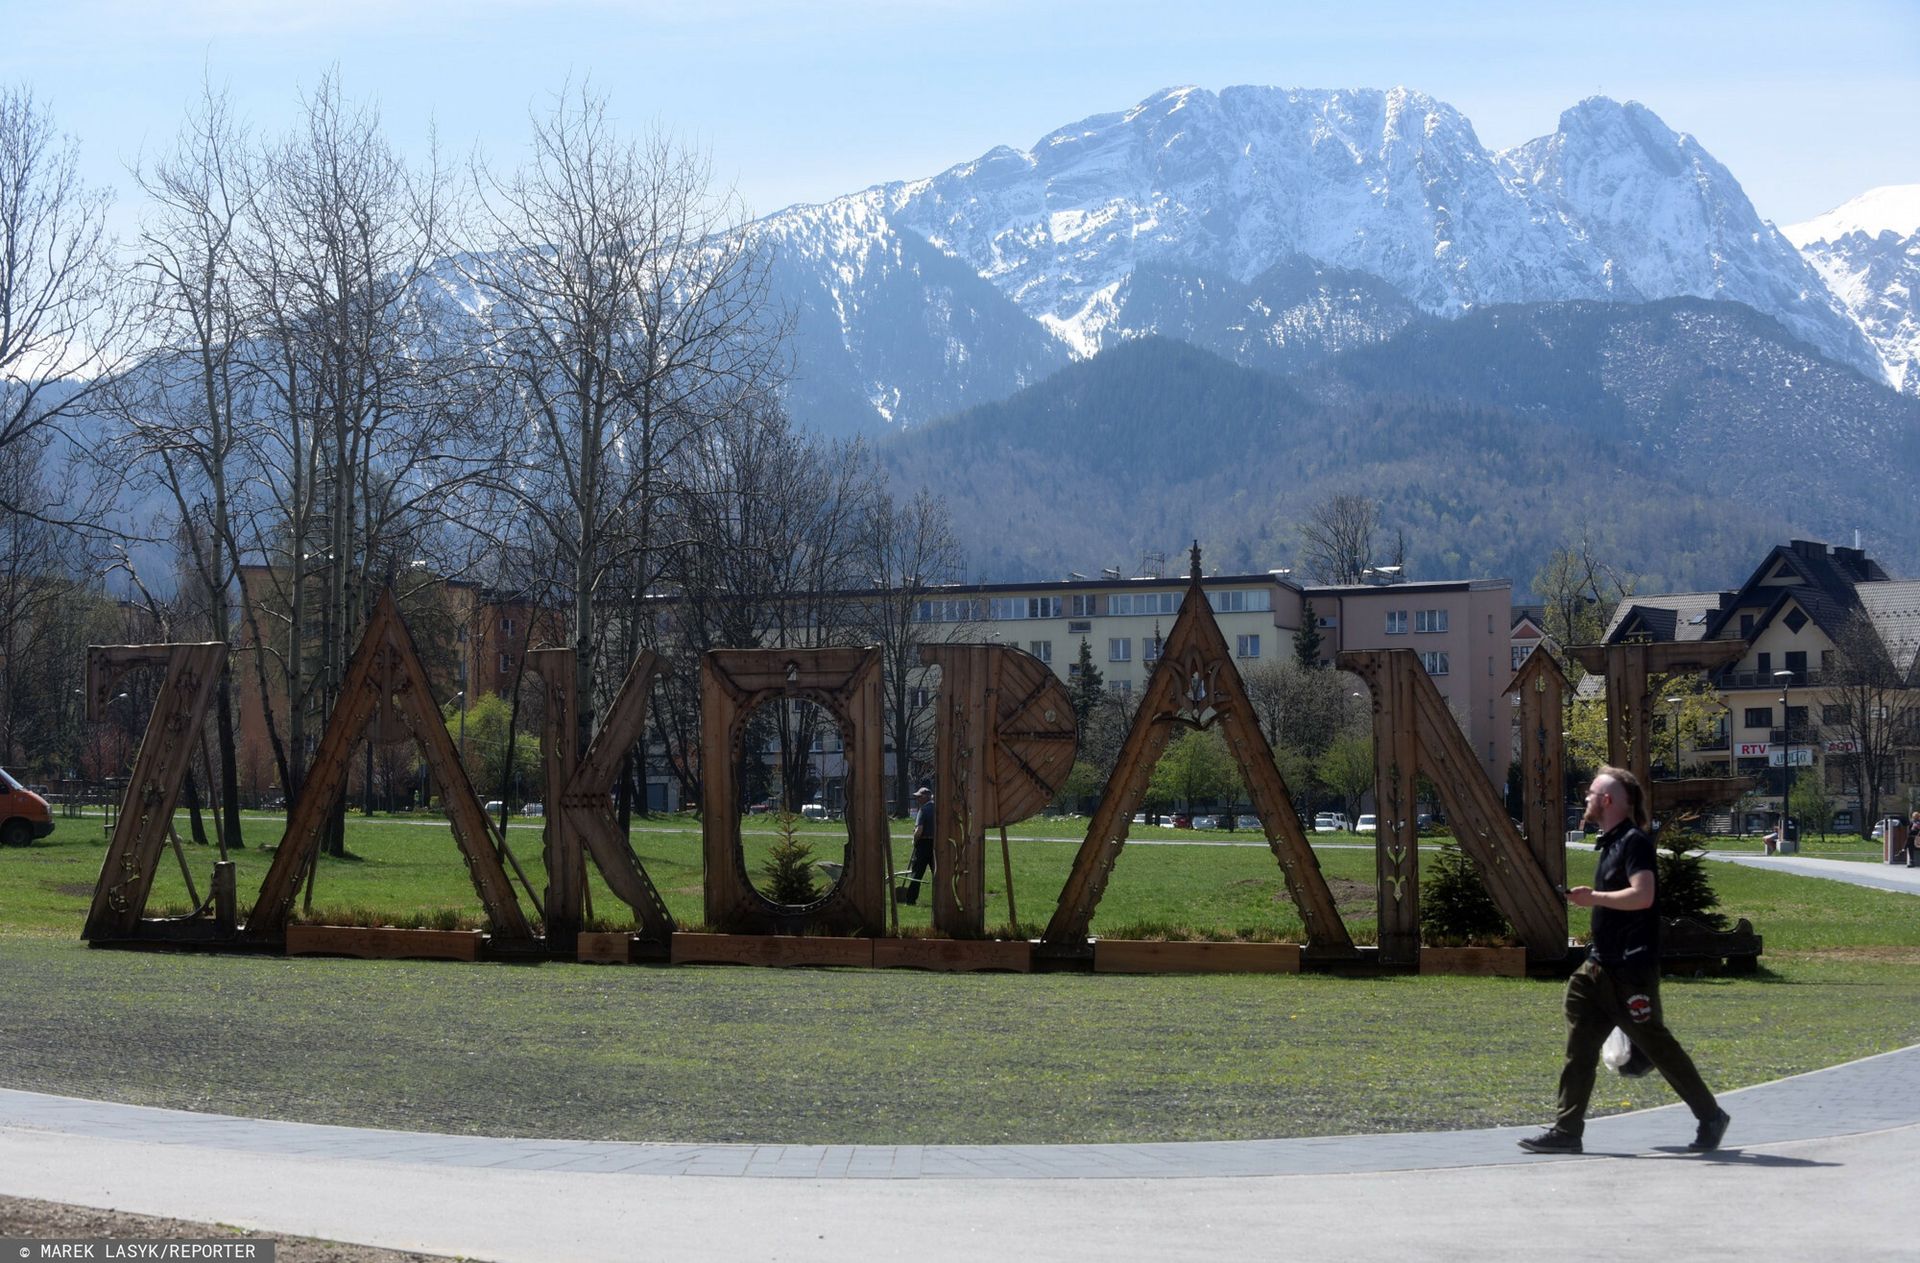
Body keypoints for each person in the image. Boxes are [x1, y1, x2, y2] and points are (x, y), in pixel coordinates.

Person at [1518, 765, 1730, 1156]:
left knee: (1659, 1046)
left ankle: (1710, 1115)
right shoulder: (1612, 842)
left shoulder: (1635, 842)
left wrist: (1593, 898)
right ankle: (1567, 1130)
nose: (1585, 798)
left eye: (1591, 793)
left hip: (1630, 971)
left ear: (1608, 800)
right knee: (1578, 1046)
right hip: (1598, 968)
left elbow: (1642, 896)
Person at [896, 784, 936, 905]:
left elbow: (919, 830)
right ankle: (941, 898)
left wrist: (915, 840)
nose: (917, 799)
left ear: (926, 797)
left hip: (923, 844)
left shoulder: (923, 810)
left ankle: (910, 899)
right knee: (938, 873)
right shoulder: (938, 808)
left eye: (919, 797)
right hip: (936, 844)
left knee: (917, 873)